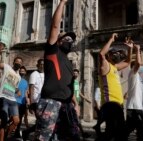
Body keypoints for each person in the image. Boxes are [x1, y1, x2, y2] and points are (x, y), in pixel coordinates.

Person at [33, 0, 80, 140]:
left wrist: (75, 103)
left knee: (70, 137)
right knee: (43, 138)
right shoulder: (52, 51)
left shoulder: (69, 63)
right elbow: (54, 26)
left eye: (72, 40)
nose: (70, 41)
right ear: (59, 41)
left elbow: (69, 85)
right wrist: (62, 3)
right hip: (50, 102)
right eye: (67, 38)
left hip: (67, 106)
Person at [96, 33, 133, 141]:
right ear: (109, 55)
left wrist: (129, 49)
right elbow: (101, 54)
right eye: (115, 52)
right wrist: (111, 39)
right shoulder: (105, 65)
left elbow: (128, 62)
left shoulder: (114, 67)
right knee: (112, 133)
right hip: (110, 104)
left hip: (118, 105)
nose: (117, 54)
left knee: (119, 134)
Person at [0, 43, 21, 141]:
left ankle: (5, 135)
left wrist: (18, 91)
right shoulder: (7, 67)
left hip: (12, 99)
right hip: (3, 97)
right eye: (17, 61)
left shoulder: (18, 76)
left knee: (16, 121)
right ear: (14, 62)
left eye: (20, 62)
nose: (18, 63)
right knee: (4, 121)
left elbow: (15, 87)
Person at [124, 44, 143, 141]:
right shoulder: (133, 72)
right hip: (134, 108)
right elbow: (138, 63)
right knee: (129, 131)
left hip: (138, 107)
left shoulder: (139, 76)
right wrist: (138, 50)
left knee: (140, 132)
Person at [22, 59, 44, 140]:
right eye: (41, 64)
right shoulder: (34, 74)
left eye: (43, 64)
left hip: (44, 101)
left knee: (42, 121)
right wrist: (31, 103)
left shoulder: (46, 74)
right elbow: (31, 88)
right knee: (40, 121)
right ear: (37, 65)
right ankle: (35, 136)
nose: (42, 65)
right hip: (36, 101)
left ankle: (27, 132)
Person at [73, 69, 91, 140]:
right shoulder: (71, 82)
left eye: (76, 73)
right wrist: (75, 103)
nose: (75, 74)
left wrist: (85, 99)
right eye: (74, 73)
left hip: (77, 102)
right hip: (73, 103)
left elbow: (78, 92)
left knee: (77, 118)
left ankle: (80, 133)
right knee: (77, 119)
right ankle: (82, 133)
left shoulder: (76, 82)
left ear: (78, 74)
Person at [14, 66, 29, 138]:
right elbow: (10, 88)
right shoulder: (16, 78)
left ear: (25, 72)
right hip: (15, 101)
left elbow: (26, 92)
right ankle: (7, 129)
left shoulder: (26, 82)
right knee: (14, 118)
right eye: (21, 71)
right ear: (19, 72)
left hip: (23, 102)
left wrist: (27, 100)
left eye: (23, 71)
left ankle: (17, 132)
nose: (22, 72)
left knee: (20, 118)